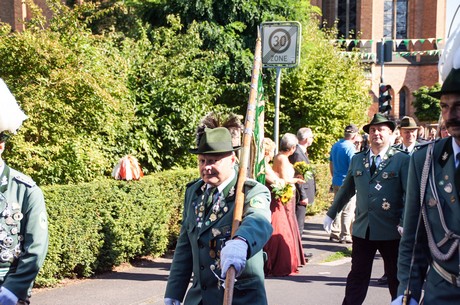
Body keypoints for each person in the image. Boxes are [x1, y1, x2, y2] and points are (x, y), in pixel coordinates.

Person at [164, 127, 273, 305]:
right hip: (199, 299)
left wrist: (241, 241)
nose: (206, 167)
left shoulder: (249, 192)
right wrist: (174, 292)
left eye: (214, 161)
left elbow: (259, 220)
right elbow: (185, 247)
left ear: (232, 159)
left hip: (239, 298)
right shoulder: (194, 192)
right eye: (202, 161)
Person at [392, 27, 460, 305]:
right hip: (441, 290)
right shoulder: (426, 159)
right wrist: (406, 293)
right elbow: (414, 235)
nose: (450, 115)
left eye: (458, 106)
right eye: (445, 107)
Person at [323, 113, 410, 305]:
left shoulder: (402, 160)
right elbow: (346, 189)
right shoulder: (358, 159)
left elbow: (409, 195)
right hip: (364, 229)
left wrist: (405, 222)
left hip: (392, 230)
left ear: (391, 134)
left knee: (396, 278)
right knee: (357, 276)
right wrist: (331, 214)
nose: (376, 133)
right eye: (372, 130)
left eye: (381, 130)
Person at [0, 78, 49, 305]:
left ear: (1, 145)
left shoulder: (25, 190)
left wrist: (12, 290)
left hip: (6, 289)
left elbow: (36, 249)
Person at [263, 137, 305, 276]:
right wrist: (293, 180)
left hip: (279, 197)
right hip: (277, 200)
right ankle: (280, 262)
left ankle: (289, 259)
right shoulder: (267, 164)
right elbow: (278, 181)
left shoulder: (269, 163)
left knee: (285, 228)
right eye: (270, 152)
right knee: (280, 229)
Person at [328, 124, 359, 244]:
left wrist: (333, 176)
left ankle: (334, 232)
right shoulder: (351, 148)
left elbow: (331, 163)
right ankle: (345, 235)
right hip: (347, 182)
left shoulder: (336, 145)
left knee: (338, 207)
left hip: (336, 180)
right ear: (354, 135)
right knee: (348, 209)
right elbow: (354, 167)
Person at [288, 128, 316, 237]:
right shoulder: (298, 154)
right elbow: (298, 176)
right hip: (300, 195)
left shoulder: (301, 151)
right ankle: (296, 252)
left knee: (300, 223)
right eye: (311, 137)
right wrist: (303, 195)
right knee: (298, 224)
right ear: (305, 139)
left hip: (303, 193)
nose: (312, 139)